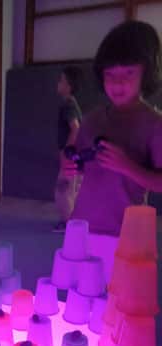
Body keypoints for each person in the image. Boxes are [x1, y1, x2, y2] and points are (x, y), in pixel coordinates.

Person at [62, 20, 162, 282]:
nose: (118, 83)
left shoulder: (154, 124)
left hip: (124, 233)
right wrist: (70, 162)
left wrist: (127, 166)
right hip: (82, 226)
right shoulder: (92, 119)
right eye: (110, 74)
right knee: (77, 296)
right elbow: (78, 159)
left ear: (146, 73)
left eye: (128, 73)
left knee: (118, 300)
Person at [53, 65, 83, 232]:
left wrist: (66, 153)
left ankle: (67, 223)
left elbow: (76, 128)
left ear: (69, 86)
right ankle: (73, 222)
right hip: (75, 158)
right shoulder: (72, 104)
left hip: (70, 157)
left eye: (61, 80)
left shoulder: (68, 105)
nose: (58, 83)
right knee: (72, 190)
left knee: (63, 190)